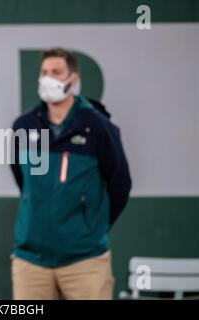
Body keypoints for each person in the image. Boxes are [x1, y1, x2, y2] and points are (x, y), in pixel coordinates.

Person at [10, 48, 131, 300]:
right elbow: (22, 179)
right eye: (44, 72)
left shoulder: (98, 126)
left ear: (72, 80)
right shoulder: (24, 126)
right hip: (30, 260)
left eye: (56, 72)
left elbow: (120, 183)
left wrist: (91, 227)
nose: (48, 78)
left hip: (85, 261)